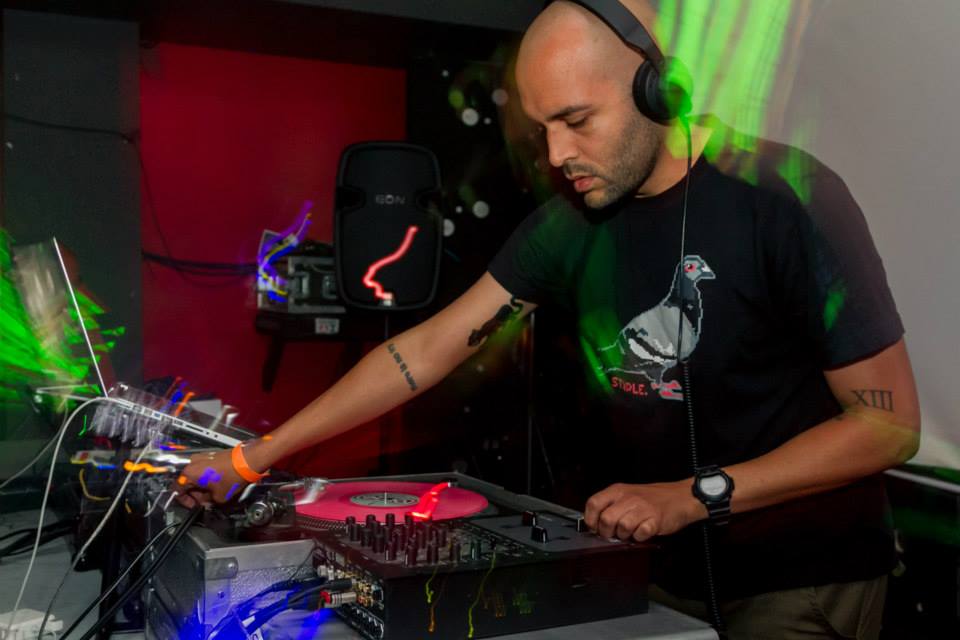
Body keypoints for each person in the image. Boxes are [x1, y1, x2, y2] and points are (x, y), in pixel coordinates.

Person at [177, 2, 920, 637]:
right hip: (660, 562)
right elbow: (425, 351)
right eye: (544, 129)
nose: (559, 154)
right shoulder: (568, 225)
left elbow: (888, 425)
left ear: (659, 92)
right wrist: (253, 457)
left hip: (801, 576)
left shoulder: (787, 198)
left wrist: (691, 495)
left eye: (577, 120)